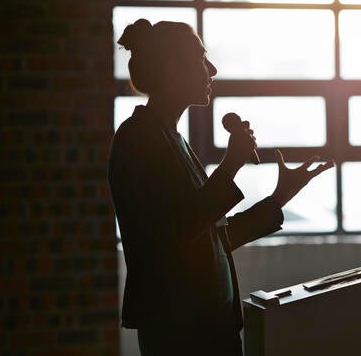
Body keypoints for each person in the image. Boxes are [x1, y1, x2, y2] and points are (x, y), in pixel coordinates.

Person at [108, 18, 335, 355]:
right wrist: (230, 165)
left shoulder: (174, 141)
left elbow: (212, 236)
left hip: (211, 328)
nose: (211, 70)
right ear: (173, 68)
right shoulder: (136, 138)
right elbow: (173, 232)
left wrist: (279, 197)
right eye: (201, 58)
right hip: (180, 333)